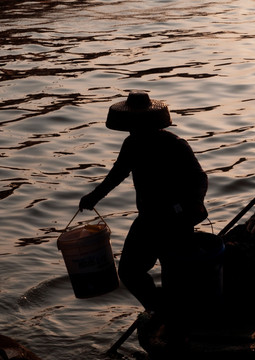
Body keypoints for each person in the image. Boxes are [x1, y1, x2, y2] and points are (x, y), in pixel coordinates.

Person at [79, 91, 208, 319]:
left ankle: (167, 313)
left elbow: (199, 178)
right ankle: (161, 308)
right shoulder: (132, 144)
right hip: (151, 218)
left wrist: (194, 204)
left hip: (173, 219)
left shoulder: (174, 144)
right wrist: (93, 197)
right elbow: (117, 175)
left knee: (159, 272)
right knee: (133, 271)